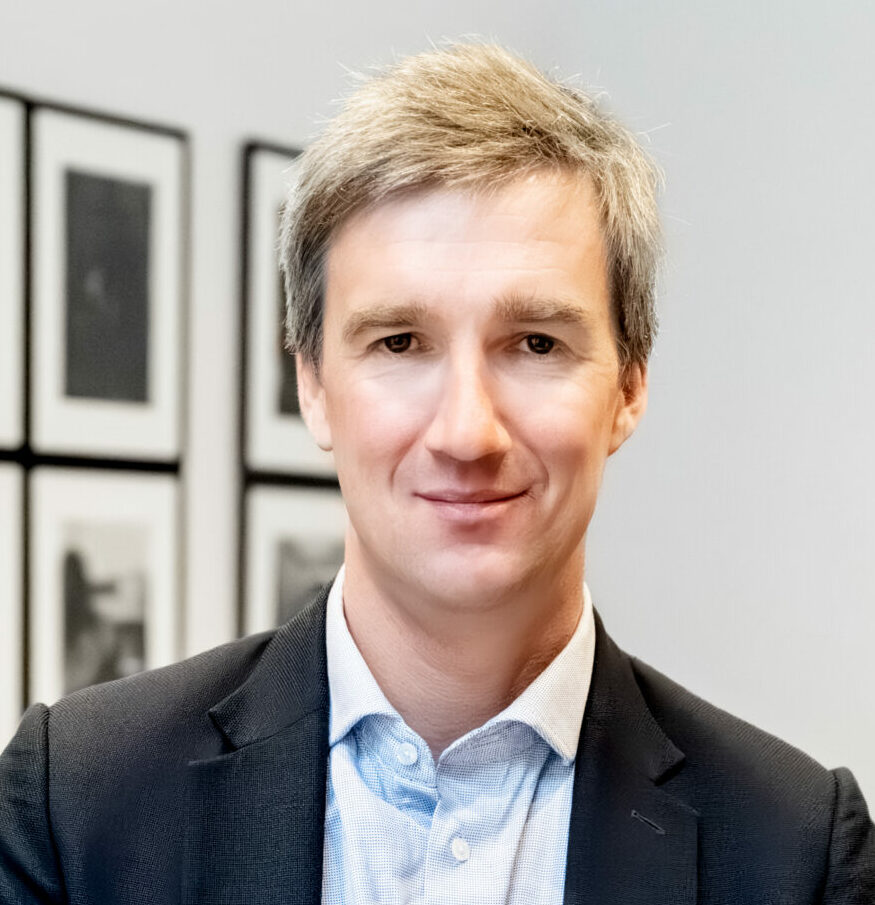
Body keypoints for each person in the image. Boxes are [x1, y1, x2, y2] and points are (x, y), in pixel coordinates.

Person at [1, 42, 872, 904]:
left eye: (536, 343)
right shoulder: (75, 805)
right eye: (399, 342)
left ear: (629, 386)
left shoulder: (793, 854)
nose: (466, 431)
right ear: (312, 386)